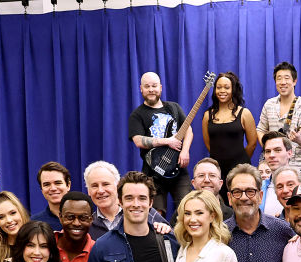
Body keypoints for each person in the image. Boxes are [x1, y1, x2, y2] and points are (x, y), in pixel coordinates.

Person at [129, 72, 193, 214]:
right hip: (153, 172)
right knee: (156, 214)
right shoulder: (137, 114)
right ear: (141, 89)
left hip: (179, 169)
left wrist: (185, 151)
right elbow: (138, 140)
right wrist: (167, 141)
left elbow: (188, 129)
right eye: (147, 86)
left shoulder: (174, 107)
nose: (151, 89)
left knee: (187, 209)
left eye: (154, 86)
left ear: (161, 87)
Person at [83, 160, 169, 240]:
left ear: (117, 185)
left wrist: (165, 229)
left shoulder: (146, 212)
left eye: (106, 184)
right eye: (94, 186)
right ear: (88, 191)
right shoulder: (87, 226)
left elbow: (170, 240)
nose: (100, 191)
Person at [256, 61, 301, 171]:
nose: (283, 82)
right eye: (279, 78)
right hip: (271, 167)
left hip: (295, 167)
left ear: (294, 81)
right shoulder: (269, 104)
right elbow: (260, 130)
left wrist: (298, 139)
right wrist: (268, 146)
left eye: (287, 78)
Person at [202, 71, 257, 187]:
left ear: (233, 90)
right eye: (218, 87)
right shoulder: (208, 115)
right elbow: (208, 144)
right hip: (217, 171)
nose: (222, 91)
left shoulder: (244, 113)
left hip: (239, 170)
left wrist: (240, 161)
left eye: (227, 87)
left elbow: (252, 143)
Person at [55, 191, 97, 262]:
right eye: (70, 217)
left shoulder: (97, 252)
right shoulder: (45, 245)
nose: (76, 223)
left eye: (83, 218)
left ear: (91, 219)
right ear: (60, 217)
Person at [175, 158, 233, 222]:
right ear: (193, 183)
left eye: (212, 175)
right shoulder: (181, 212)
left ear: (220, 183)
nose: (207, 180)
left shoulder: (232, 216)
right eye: (201, 175)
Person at [32, 161, 72, 231]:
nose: (53, 188)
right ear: (41, 189)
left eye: (57, 183)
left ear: (68, 185)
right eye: (47, 184)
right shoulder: (34, 223)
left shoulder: (84, 218)